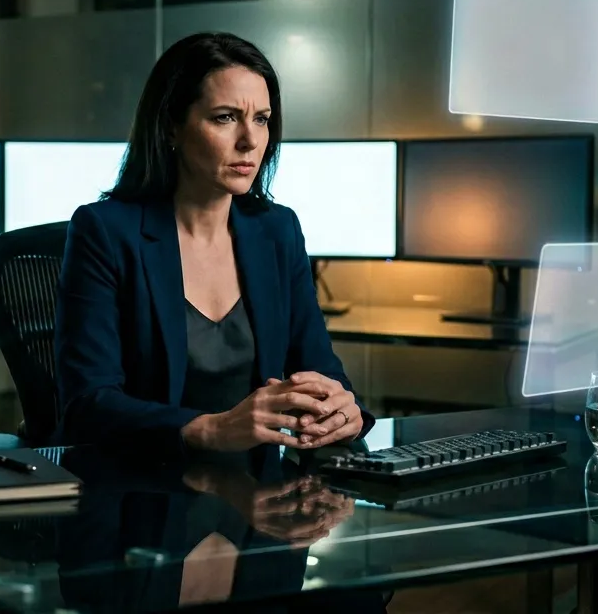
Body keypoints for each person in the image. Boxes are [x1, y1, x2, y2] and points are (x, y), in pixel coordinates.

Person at [53, 31, 374, 456]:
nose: (251, 140)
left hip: (260, 498)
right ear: (171, 125)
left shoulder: (277, 231)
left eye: (261, 118)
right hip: (142, 490)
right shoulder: (105, 231)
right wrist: (209, 429)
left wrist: (344, 412)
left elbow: (319, 371)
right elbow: (87, 404)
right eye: (225, 117)